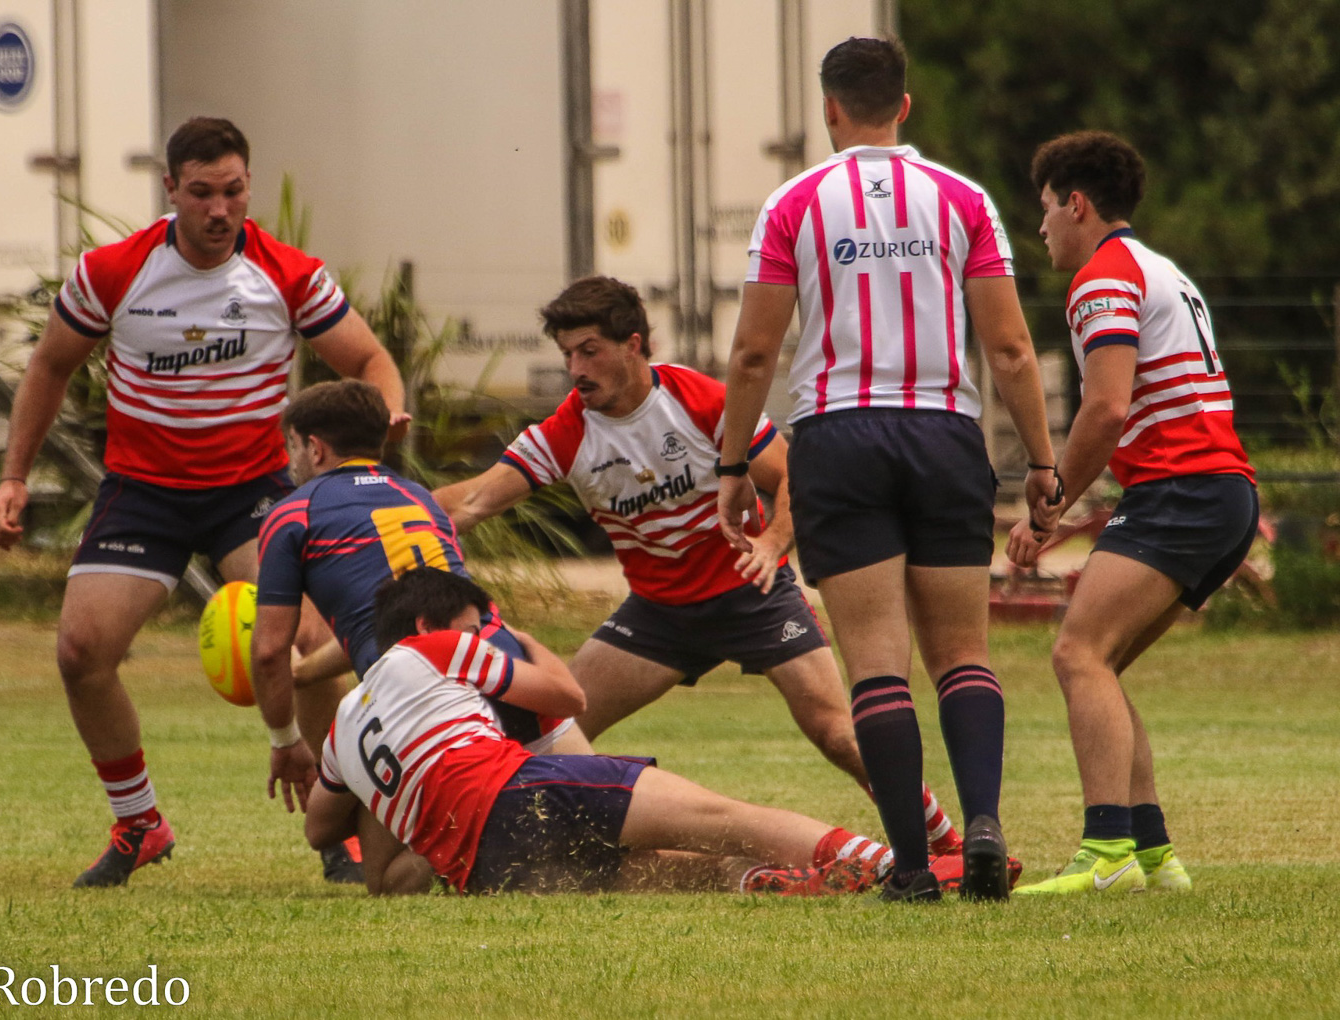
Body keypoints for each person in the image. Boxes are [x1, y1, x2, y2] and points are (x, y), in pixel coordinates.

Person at [0, 116, 409, 888]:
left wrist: (382, 416)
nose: (220, 209)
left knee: (314, 646)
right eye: (203, 193)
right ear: (171, 188)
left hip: (250, 493)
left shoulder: (289, 274)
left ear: (250, 187)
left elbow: (370, 358)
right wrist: (14, 475)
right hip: (143, 492)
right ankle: (140, 822)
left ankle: (337, 829)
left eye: (235, 191)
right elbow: (48, 366)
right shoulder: (114, 271)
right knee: (81, 652)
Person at [435, 276, 966, 859]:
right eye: (567, 355)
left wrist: (774, 545)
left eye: (589, 351)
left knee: (838, 734)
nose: (575, 369)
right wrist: (387, 512)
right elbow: (473, 501)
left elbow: (794, 474)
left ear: (633, 344)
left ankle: (944, 845)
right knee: (542, 728)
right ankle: (509, 851)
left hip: (754, 594)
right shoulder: (567, 432)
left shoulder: (698, 400)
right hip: (660, 616)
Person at [716, 37, 1060, 902]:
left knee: (877, 665)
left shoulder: (793, 203)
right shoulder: (963, 198)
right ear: (905, 105)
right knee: (964, 655)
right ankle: (982, 824)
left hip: (838, 438)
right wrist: (1044, 465)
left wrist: (731, 460)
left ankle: (912, 866)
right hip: (944, 431)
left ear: (830, 108)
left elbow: (756, 349)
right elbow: (1012, 349)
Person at [308, 566, 945, 897]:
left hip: (481, 866)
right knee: (722, 813)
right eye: (477, 625)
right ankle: (898, 864)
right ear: (428, 625)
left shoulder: (341, 726)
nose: (483, 637)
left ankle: (751, 879)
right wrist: (526, 643)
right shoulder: (434, 649)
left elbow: (318, 827)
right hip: (514, 790)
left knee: (646, 870)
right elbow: (568, 697)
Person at [1007, 132, 1256, 896]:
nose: (1041, 226)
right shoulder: (1161, 269)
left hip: (1183, 489)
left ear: (1076, 203)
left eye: (1046, 209)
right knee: (1099, 663)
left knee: (1076, 654)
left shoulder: (1102, 278)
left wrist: (1050, 502)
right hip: (1219, 490)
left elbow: (1108, 405)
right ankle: (1154, 856)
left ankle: (1105, 848)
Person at [251, 379, 588, 810]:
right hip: (506, 667)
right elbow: (395, 622)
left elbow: (268, 651)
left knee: (364, 848)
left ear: (315, 449)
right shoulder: (420, 500)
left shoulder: (293, 514)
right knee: (601, 819)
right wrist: (305, 674)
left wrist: (285, 740)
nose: (289, 459)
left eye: (291, 446)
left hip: (426, 700)